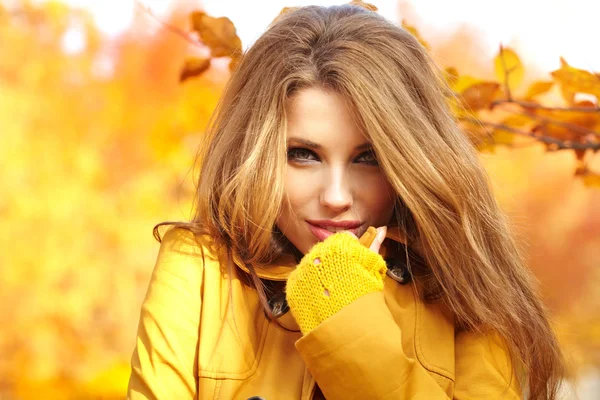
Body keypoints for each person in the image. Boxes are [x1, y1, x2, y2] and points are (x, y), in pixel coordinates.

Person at [126, 4, 566, 400]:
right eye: (303, 155)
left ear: (409, 162)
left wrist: (345, 313)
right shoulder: (200, 268)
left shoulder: (462, 290)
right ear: (257, 153)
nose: (336, 197)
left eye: (368, 158)